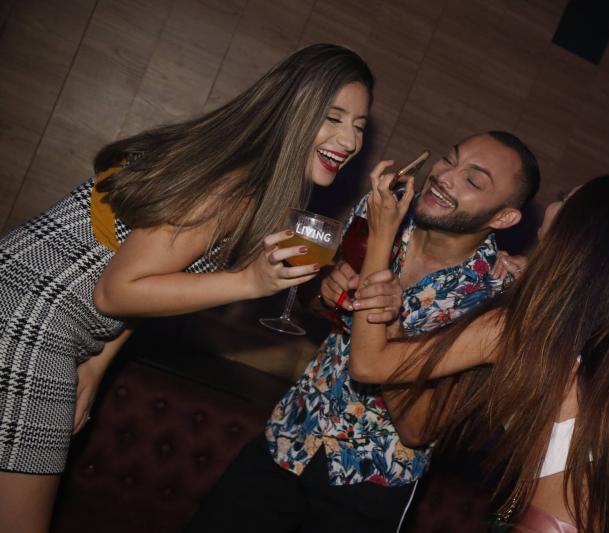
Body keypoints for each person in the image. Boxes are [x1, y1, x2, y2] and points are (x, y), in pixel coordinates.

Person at [0, 43, 373, 533]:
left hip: (33, 307)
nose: (348, 140)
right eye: (333, 118)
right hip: (32, 321)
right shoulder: (231, 184)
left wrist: (95, 363)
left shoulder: (242, 170)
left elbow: (146, 278)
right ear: (293, 110)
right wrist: (248, 281)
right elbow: (115, 292)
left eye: (359, 126)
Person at [187, 131, 540, 533]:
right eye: (449, 159)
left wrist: (388, 324)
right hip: (290, 436)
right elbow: (314, 304)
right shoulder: (378, 216)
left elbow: (418, 429)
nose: (444, 177)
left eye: (473, 180)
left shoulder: (494, 299)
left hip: (370, 484)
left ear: (503, 217)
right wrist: (324, 291)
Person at [350, 174, 609, 532]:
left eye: (566, 199)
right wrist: (535, 277)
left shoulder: (519, 329)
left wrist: (380, 238)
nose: (554, 204)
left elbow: (367, 364)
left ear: (577, 231)